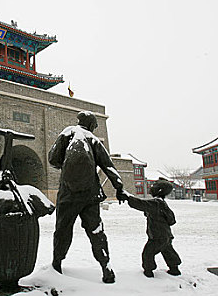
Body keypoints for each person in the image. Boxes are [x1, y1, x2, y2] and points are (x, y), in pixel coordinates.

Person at [48, 111, 129, 283]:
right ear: (91, 125)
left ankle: (56, 264)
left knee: (63, 229)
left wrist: (65, 165)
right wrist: (119, 187)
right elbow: (109, 166)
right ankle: (106, 267)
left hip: (68, 194)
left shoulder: (67, 133)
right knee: (96, 230)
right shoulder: (93, 139)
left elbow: (53, 159)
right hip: (90, 194)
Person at [119, 177, 182, 278]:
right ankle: (174, 268)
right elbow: (172, 220)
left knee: (148, 253)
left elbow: (141, 204)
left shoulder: (155, 203)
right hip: (166, 235)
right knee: (168, 251)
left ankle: (148, 272)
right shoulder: (162, 204)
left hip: (157, 236)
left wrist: (128, 197)